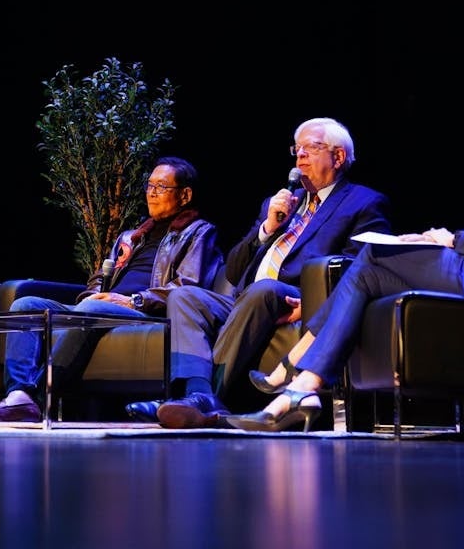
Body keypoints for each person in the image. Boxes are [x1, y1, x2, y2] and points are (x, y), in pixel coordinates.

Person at [227, 42, 464, 432]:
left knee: (374, 258)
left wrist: (452, 239)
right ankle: (303, 381)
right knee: (371, 267)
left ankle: (298, 373)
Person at [125, 117, 393, 428]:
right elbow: (235, 271)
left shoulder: (364, 202)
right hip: (245, 298)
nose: (300, 156)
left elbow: (359, 266)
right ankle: (198, 394)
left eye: (311, 148)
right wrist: (267, 228)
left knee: (265, 289)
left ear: (339, 156)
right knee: (186, 297)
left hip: (291, 297)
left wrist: (319, 302)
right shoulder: (279, 203)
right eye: (297, 149)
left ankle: (197, 399)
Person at [0, 156, 222, 422]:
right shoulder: (131, 237)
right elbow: (99, 278)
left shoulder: (198, 232)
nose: (152, 193)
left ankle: (36, 398)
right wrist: (93, 295)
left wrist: (133, 301)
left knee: (89, 309)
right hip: (102, 306)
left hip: (144, 312)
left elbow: (187, 286)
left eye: (162, 187)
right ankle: (19, 393)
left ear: (184, 195)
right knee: (24, 306)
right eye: (149, 185)